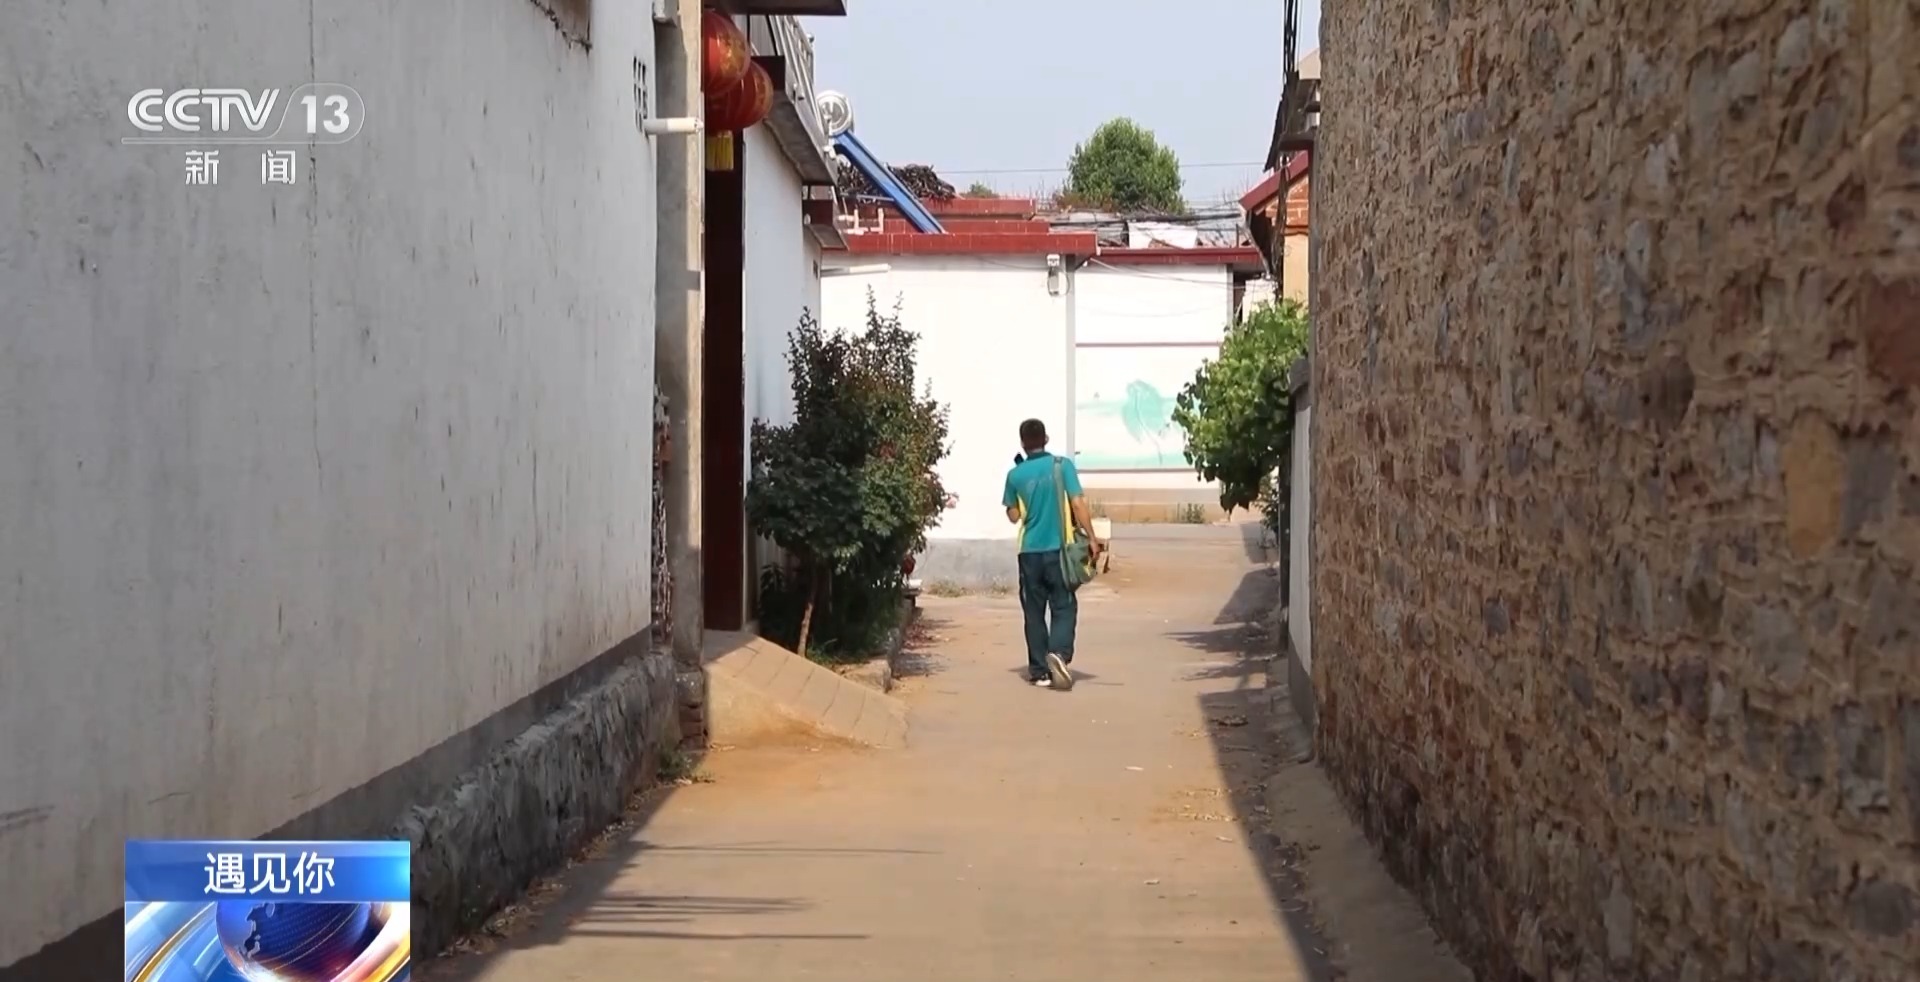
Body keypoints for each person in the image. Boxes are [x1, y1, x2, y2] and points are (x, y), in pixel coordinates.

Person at [1001, 418, 1103, 689]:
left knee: (1033, 611)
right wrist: (1092, 538)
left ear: (1023, 443)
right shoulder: (1062, 466)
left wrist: (1020, 503)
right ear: (1045, 439)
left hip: (1029, 553)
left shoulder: (1015, 475)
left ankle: (1039, 672)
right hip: (1059, 551)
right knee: (1064, 604)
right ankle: (1058, 653)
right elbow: (1078, 504)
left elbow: (1013, 515)